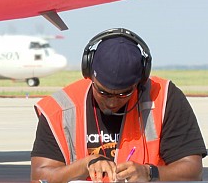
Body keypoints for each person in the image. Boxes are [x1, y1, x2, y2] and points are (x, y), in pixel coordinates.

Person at [30, 28, 206, 182]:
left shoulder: (165, 98)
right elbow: (40, 176)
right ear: (89, 74)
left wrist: (149, 172)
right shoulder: (60, 108)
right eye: (103, 92)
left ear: (141, 80)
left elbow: (193, 170)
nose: (112, 102)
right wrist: (85, 165)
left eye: (124, 93)